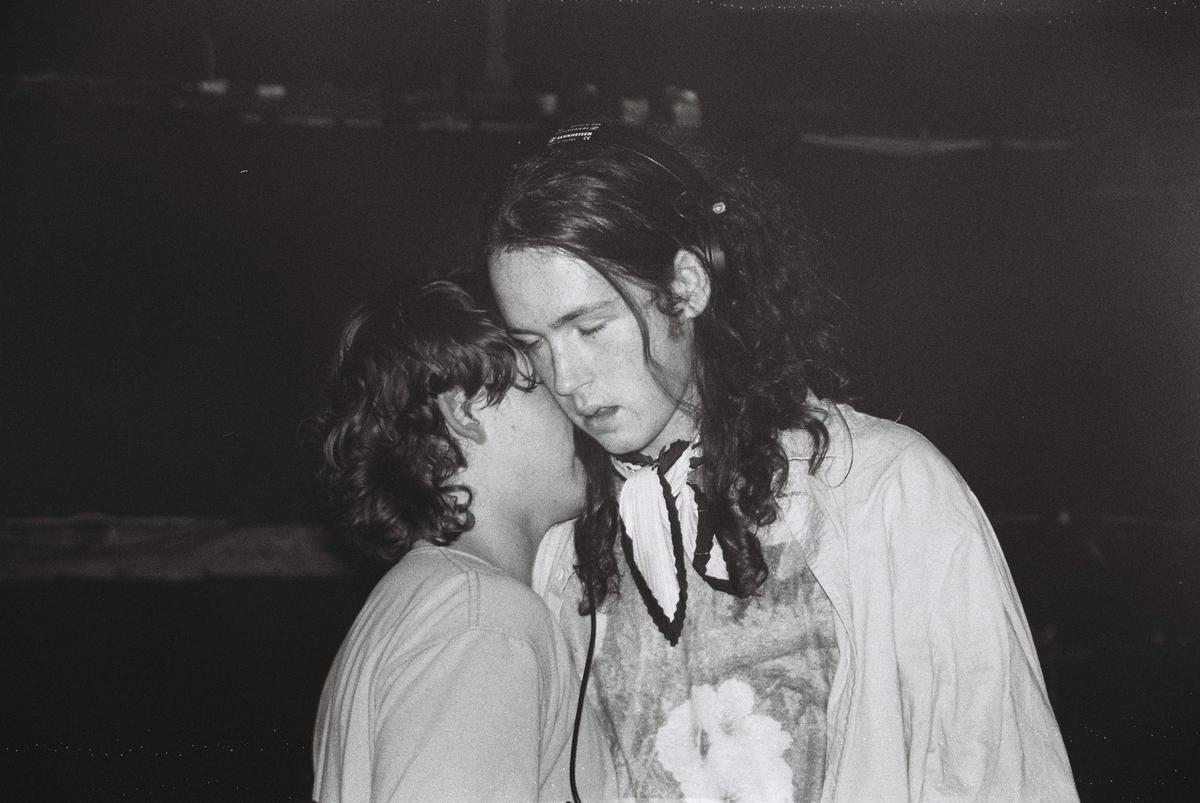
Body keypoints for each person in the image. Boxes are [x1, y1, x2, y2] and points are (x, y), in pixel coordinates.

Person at [485, 121, 1079, 801]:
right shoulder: (563, 545)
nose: (564, 376)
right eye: (531, 344)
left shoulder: (887, 491)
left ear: (686, 286)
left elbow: (1004, 773)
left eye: (588, 327)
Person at [309, 280, 618, 802]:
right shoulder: (485, 620)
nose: (577, 406)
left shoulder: (424, 603)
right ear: (466, 410)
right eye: (545, 380)